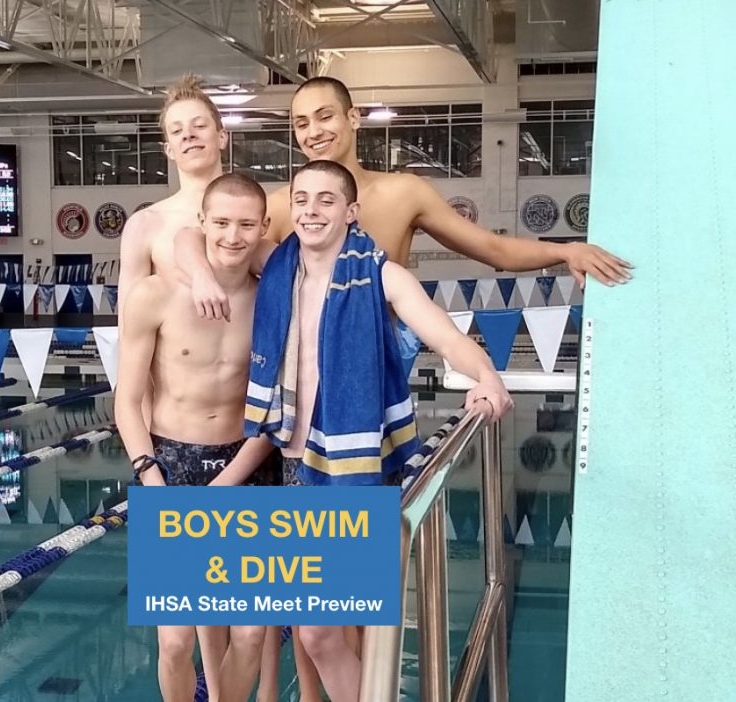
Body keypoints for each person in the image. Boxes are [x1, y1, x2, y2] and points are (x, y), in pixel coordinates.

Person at [243, 160, 513, 702]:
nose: (311, 210)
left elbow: (446, 337)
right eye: (302, 199)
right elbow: (195, 240)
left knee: (321, 630)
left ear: (351, 211)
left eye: (326, 199)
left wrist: (487, 377)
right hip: (293, 468)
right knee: (316, 632)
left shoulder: (384, 275)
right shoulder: (276, 269)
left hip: (355, 469)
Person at [181, 76, 632, 375]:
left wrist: (565, 250)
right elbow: (204, 243)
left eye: (325, 116)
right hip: (305, 368)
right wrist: (200, 274)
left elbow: (491, 250)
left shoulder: (403, 192)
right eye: (301, 123)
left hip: (379, 362)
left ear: (352, 118)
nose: (313, 131)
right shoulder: (285, 206)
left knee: (375, 506)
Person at [116, 173, 275, 702]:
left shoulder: (273, 304)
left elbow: (277, 407)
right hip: (171, 464)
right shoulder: (154, 296)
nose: (233, 235)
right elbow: (126, 400)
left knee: (251, 632)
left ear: (263, 228)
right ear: (202, 223)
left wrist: (230, 480)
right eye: (222, 222)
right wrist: (149, 476)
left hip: (247, 462)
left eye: (246, 224)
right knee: (176, 642)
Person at [116, 74, 229, 310]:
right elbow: (129, 322)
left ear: (222, 137)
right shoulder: (144, 225)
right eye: (177, 131)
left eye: (199, 126)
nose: (189, 134)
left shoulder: (255, 215)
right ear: (169, 150)